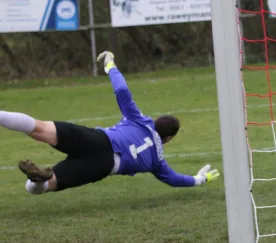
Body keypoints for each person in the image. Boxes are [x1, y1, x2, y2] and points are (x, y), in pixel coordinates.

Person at [0, 50, 219, 195]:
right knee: (41, 187)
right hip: (103, 166)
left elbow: (122, 91)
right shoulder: (157, 161)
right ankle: (38, 180)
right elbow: (174, 179)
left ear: (154, 121)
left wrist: (110, 65)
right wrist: (200, 179)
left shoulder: (140, 120)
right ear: (168, 139)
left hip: (98, 140)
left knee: (39, 128)